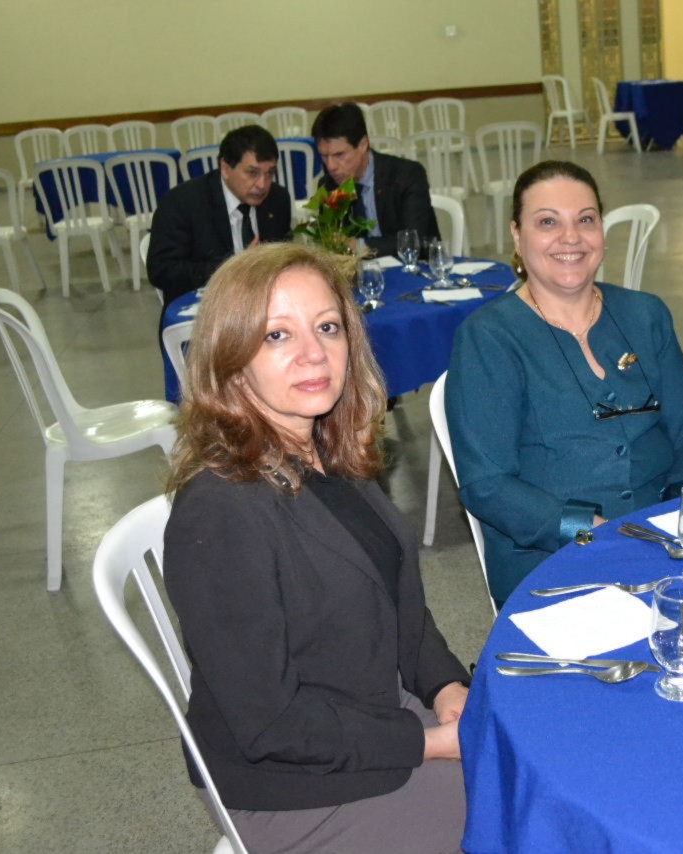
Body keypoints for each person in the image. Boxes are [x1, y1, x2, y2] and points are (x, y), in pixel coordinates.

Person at [163, 243, 470, 854]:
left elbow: (402, 606)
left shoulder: (325, 447)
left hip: (365, 708)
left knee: (531, 777)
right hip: (289, 782)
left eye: (327, 327)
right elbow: (270, 724)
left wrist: (445, 687)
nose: (313, 353)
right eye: (277, 335)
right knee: (514, 817)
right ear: (230, 359)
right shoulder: (218, 514)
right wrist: (428, 742)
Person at [446, 161, 683, 606]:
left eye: (586, 219)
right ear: (517, 235)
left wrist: (678, 510)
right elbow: (488, 485)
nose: (571, 237)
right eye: (548, 222)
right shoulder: (489, 338)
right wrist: (590, 531)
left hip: (664, 541)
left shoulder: (646, 314)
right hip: (553, 561)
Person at [147, 125, 291, 309]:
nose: (262, 185)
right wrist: (234, 267)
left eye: (270, 173)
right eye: (253, 173)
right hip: (202, 307)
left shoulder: (277, 199)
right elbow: (161, 270)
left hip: (263, 305)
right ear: (225, 169)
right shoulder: (183, 203)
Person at [312, 102, 439, 258]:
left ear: (363, 145)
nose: (331, 166)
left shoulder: (406, 175)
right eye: (324, 156)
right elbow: (330, 244)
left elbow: (413, 240)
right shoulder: (329, 186)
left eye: (339, 155)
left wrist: (359, 246)